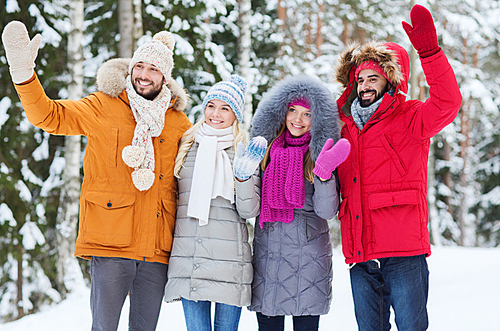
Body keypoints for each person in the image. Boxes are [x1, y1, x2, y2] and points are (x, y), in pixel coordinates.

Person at [1, 21, 192, 331]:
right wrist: (24, 75)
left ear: (165, 77)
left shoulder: (178, 121)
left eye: (153, 69)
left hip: (157, 248)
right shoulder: (103, 105)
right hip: (111, 242)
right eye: (139, 65)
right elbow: (49, 115)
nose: (143, 74)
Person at [333, 5, 462, 330]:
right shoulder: (342, 126)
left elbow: (448, 103)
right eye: (359, 78)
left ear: (390, 79)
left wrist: (430, 54)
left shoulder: (411, 116)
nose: (364, 85)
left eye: (372, 77)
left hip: (403, 252)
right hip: (361, 255)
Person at [163, 75, 266, 331]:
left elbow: (249, 210)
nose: (215, 114)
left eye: (225, 108)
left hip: (229, 262)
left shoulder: (244, 150)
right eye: (211, 105)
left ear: (235, 115)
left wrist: (243, 177)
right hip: (191, 258)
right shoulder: (187, 145)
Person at [249, 76, 351, 331]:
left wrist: (324, 175)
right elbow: (250, 206)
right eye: (293, 110)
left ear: (317, 119)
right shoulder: (266, 152)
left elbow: (327, 211)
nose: (298, 119)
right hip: (268, 259)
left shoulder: (320, 155)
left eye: (307, 114)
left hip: (308, 262)